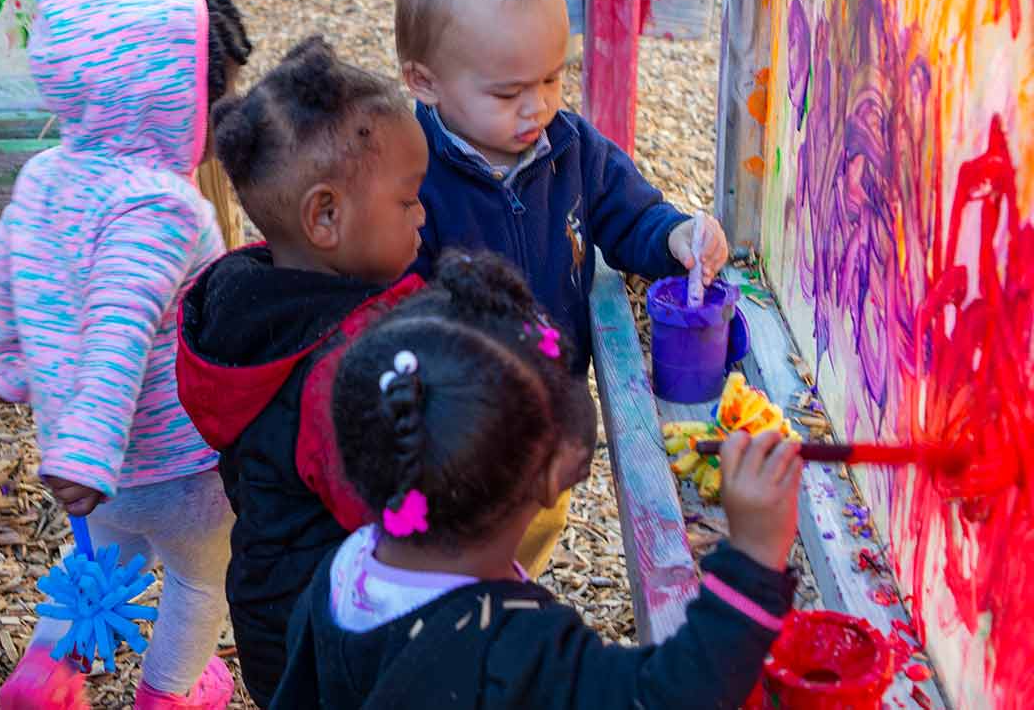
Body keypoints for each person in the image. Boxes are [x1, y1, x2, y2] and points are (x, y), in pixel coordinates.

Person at [274, 251, 802, 709]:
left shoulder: (340, 576)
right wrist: (754, 556)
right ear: (553, 479)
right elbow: (664, 696)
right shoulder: (514, 656)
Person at [396, 0, 731, 575]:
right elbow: (390, 301)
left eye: (553, 78)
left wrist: (674, 235)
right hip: (458, 429)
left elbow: (626, 210)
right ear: (425, 81)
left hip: (552, 415)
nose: (539, 105)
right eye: (507, 92)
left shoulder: (568, 146)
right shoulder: (411, 178)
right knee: (455, 556)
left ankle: (514, 591)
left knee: (536, 529)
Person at [0, 0, 253, 710]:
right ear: (168, 100)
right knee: (202, 576)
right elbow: (120, 323)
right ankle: (171, 692)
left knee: (104, 562)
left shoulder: (43, 175)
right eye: (213, 92)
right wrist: (87, 450)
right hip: (174, 461)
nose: (222, 109)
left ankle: (48, 673)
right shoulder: (163, 206)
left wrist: (11, 359)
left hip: (90, 474)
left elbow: (1, 262)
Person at [176, 36, 428, 706]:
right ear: (325, 216)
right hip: (333, 636)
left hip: (269, 609)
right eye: (408, 201)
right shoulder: (339, 366)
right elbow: (388, 511)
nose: (423, 214)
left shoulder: (250, 305)